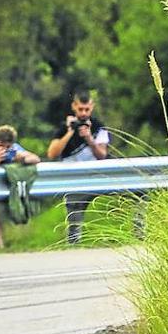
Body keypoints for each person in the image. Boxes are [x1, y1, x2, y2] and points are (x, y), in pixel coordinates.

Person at [47, 91, 110, 244]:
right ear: (74, 107)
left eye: (86, 109)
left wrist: (89, 138)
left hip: (95, 176)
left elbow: (102, 155)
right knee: (74, 216)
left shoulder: (99, 127)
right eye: (80, 109)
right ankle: (74, 243)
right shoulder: (65, 128)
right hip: (73, 179)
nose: (83, 113)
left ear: (92, 107)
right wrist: (70, 131)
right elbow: (52, 154)